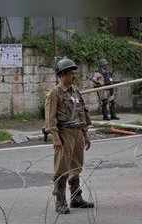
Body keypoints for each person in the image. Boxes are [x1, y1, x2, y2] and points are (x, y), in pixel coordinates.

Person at [44, 57, 94, 214]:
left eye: (73, 73)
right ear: (62, 75)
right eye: (70, 73)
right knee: (62, 168)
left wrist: (85, 134)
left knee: (76, 166)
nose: (73, 76)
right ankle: (60, 201)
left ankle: (76, 198)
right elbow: (50, 118)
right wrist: (56, 137)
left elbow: (82, 112)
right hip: (64, 133)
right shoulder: (55, 94)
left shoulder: (76, 92)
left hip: (77, 132)